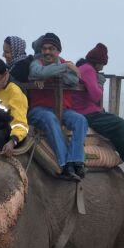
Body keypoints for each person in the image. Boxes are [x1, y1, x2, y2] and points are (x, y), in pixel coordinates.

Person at [71, 43, 124, 173]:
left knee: (116, 127)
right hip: (86, 112)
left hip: (85, 110)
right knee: (119, 124)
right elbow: (95, 95)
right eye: (103, 64)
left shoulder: (84, 68)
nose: (102, 67)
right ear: (98, 62)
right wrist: (100, 84)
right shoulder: (88, 70)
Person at [27, 32, 87, 181]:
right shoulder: (37, 62)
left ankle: (76, 161)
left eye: (51, 48)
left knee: (80, 120)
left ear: (58, 51)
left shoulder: (64, 62)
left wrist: (49, 74)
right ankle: (64, 165)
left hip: (63, 109)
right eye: (44, 48)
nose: (47, 52)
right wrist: (65, 67)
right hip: (39, 110)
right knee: (50, 118)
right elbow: (37, 72)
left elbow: (74, 79)